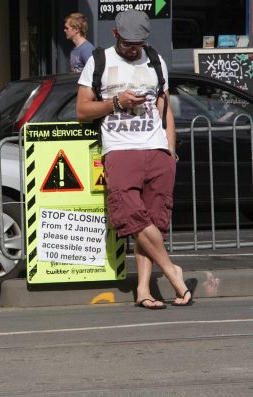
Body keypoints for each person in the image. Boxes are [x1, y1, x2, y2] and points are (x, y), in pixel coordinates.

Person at [76, 10, 194, 309]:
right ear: (116, 35)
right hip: (119, 150)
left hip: (156, 151)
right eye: (128, 43)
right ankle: (171, 272)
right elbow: (82, 111)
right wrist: (117, 102)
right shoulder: (99, 61)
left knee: (153, 222)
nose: (133, 49)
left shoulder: (155, 60)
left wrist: (170, 150)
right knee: (130, 216)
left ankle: (143, 289)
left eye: (138, 44)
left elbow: (164, 107)